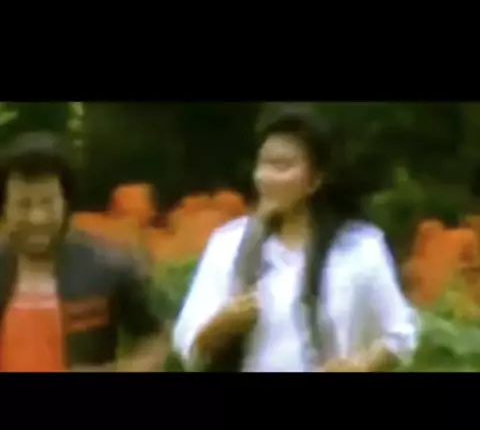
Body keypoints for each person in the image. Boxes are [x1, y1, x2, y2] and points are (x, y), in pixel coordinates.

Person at [173, 104, 419, 373]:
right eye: (262, 164)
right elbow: (189, 345)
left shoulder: (358, 248)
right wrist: (224, 323)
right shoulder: (229, 245)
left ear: (315, 179)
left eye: (281, 166)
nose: (265, 177)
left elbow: (400, 335)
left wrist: (361, 366)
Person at [0, 132, 169, 372]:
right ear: (5, 208)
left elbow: (157, 337)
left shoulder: (109, 267)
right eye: (23, 205)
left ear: (66, 203)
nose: (37, 218)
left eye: (47, 203)